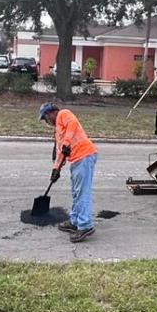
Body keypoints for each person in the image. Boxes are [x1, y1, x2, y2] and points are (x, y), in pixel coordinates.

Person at [38, 103, 97, 242]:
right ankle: (75, 221)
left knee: (82, 193)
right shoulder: (58, 132)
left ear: (50, 113)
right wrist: (55, 169)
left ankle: (85, 226)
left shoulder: (63, 114)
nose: (47, 122)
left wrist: (66, 143)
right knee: (76, 192)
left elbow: (73, 123)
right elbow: (60, 152)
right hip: (77, 160)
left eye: (45, 118)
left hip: (85, 155)